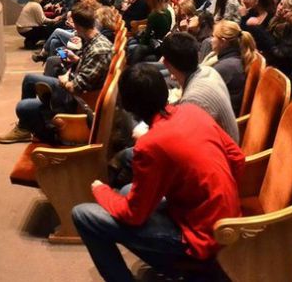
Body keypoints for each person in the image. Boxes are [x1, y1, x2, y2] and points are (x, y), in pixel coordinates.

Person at [71, 64, 244, 281]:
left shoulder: (149, 145)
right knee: (126, 190)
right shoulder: (192, 111)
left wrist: (101, 191)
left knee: (83, 214)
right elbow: (237, 158)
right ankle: (176, 269)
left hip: (202, 237)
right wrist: (216, 195)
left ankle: (185, 267)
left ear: (130, 106)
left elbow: (133, 216)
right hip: (229, 219)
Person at [0, 2, 113, 144]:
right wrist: (76, 59)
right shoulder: (97, 41)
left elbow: (76, 88)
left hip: (77, 100)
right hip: (77, 86)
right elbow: (90, 69)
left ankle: (36, 129)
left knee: (23, 106)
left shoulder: (98, 50)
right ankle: (29, 123)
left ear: (78, 26)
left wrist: (64, 79)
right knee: (40, 71)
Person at [161, 32, 240, 142]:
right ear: (197, 56)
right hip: (219, 141)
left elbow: (185, 139)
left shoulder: (193, 100)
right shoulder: (208, 71)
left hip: (222, 150)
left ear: (165, 63)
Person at [201, 20, 257, 115]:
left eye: (213, 36)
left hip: (219, 118)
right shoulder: (233, 60)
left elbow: (200, 95)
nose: (211, 40)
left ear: (223, 42)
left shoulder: (226, 67)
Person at [129, 0, 173, 64]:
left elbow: (147, 36)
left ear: (154, 0)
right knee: (133, 44)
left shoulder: (154, 14)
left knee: (136, 48)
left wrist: (140, 41)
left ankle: (131, 66)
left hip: (156, 45)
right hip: (163, 44)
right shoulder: (167, 12)